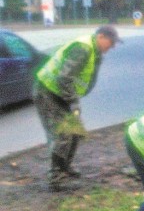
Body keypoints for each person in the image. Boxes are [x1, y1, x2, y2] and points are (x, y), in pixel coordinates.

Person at [34, 25, 121, 192]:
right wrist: (73, 102)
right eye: (111, 42)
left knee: (75, 132)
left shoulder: (94, 50)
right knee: (63, 133)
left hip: (61, 94)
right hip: (48, 92)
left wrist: (72, 100)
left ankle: (65, 167)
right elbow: (63, 78)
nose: (112, 47)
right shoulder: (83, 48)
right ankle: (55, 177)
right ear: (101, 36)